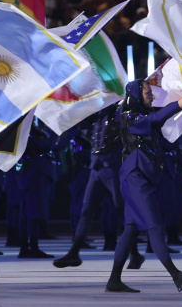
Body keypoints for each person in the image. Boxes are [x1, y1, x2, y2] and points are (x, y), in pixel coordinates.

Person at [105, 80, 182, 293]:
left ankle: (114, 280)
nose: (152, 96)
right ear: (137, 95)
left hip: (140, 178)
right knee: (155, 226)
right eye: (148, 93)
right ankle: (177, 276)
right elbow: (158, 117)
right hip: (135, 179)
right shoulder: (128, 116)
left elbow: (160, 117)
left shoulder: (141, 115)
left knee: (130, 230)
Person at [54, 104, 124, 268]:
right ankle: (74, 252)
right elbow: (81, 119)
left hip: (112, 168)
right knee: (87, 210)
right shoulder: (99, 113)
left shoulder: (120, 112)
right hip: (96, 168)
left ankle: (133, 252)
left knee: (121, 210)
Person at [17, 119, 58, 259]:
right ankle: (32, 247)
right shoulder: (26, 131)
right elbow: (45, 146)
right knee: (33, 213)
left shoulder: (21, 130)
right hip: (34, 173)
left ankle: (24, 247)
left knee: (25, 213)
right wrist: (55, 133)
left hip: (26, 174)